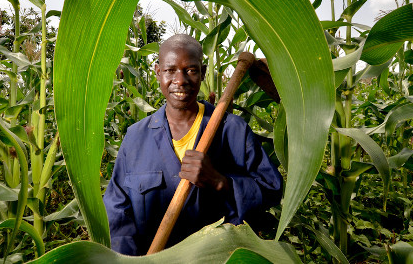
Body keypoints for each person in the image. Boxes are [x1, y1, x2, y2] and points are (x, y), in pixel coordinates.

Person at [103, 34, 282, 255]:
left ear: (203, 73)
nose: (180, 80)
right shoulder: (136, 137)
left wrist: (221, 182)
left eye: (191, 70)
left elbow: (271, 190)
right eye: (170, 70)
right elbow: (118, 212)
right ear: (158, 72)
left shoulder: (233, 130)